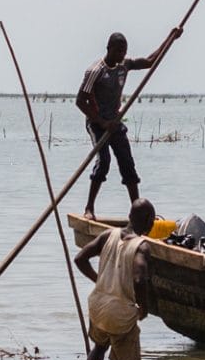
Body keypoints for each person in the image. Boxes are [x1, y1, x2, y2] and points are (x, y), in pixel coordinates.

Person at [75, 25, 180, 217]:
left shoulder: (125, 65)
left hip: (115, 123)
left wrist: (171, 38)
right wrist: (101, 121)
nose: (121, 55)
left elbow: (149, 61)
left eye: (124, 51)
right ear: (109, 49)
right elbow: (80, 101)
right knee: (104, 161)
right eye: (118, 51)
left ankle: (136, 211)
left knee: (127, 163)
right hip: (97, 123)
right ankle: (89, 207)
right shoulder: (95, 71)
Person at [74, 197, 159, 360]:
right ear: (149, 222)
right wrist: (143, 307)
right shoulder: (142, 246)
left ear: (129, 216)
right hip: (120, 313)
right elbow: (139, 279)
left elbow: (80, 259)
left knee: (99, 347)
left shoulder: (107, 235)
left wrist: (99, 280)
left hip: (98, 305)